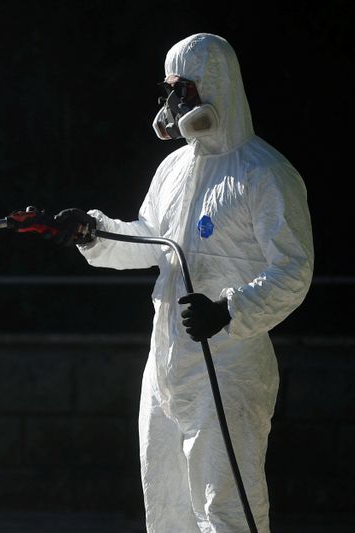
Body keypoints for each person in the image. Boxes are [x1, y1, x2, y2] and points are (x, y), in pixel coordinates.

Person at [47, 33, 314, 532]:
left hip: (228, 370)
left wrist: (230, 312)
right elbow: (150, 240)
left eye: (181, 90)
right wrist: (92, 232)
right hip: (167, 366)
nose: (171, 104)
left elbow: (293, 269)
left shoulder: (264, 174)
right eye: (168, 90)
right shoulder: (174, 169)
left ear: (214, 88)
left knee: (227, 512)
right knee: (167, 510)